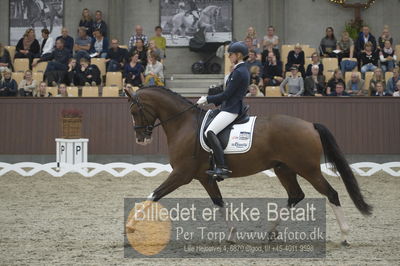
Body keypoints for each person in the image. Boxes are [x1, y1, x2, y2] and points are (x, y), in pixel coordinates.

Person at [196, 42, 250, 179]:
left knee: (210, 131)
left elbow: (227, 95)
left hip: (232, 109)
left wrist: (208, 99)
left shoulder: (239, 72)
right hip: (228, 106)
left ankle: (222, 167)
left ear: (238, 55)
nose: (229, 57)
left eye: (231, 54)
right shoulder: (239, 70)